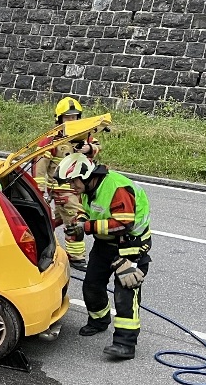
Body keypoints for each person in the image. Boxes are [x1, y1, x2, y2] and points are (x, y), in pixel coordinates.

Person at [56, 153, 152, 360]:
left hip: (131, 246)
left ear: (85, 175)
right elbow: (88, 212)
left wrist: (86, 227)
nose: (71, 187)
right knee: (92, 284)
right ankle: (99, 321)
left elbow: (123, 224)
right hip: (105, 244)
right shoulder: (88, 189)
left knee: (126, 291)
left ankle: (125, 344)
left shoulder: (117, 188)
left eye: (73, 181)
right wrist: (79, 223)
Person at [33, 97, 102, 270]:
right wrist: (39, 190)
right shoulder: (51, 140)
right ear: (59, 119)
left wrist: (89, 148)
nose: (71, 120)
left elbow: (97, 147)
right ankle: (76, 257)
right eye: (67, 117)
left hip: (80, 189)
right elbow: (39, 166)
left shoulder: (85, 136)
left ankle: (38, 239)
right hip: (62, 189)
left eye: (74, 117)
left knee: (50, 220)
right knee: (74, 221)